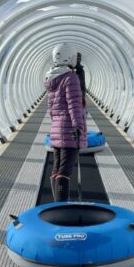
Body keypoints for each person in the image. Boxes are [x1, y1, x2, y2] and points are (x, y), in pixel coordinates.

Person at [45, 42, 87, 203]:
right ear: (70, 57)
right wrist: (78, 126)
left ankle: (57, 205)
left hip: (57, 129)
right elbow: (75, 104)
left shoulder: (51, 79)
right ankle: (61, 208)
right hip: (70, 130)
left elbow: (51, 108)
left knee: (56, 169)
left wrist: (56, 125)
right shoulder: (70, 78)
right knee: (65, 170)